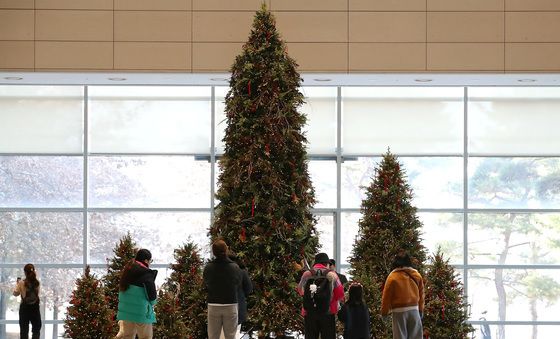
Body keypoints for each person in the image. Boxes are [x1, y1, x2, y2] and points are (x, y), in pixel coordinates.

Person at [297, 252, 344, 339]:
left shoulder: (307, 274)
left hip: (310, 312)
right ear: (326, 263)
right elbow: (340, 293)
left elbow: (299, 289)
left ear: (316, 262)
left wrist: (309, 297)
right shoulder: (333, 275)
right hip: (328, 312)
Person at [203, 239, 243, 339]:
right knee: (230, 336)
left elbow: (206, 283)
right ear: (226, 249)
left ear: (213, 252)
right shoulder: (235, 267)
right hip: (231, 303)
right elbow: (238, 284)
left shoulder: (208, 267)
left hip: (213, 304)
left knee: (213, 336)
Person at [381, 250, 424, 339]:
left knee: (399, 336)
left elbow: (386, 297)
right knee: (416, 336)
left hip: (399, 312)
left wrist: (384, 312)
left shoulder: (392, 277)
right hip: (414, 310)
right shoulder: (416, 275)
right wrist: (421, 309)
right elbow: (421, 294)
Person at [116, 249, 158, 339]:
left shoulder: (127, 270)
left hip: (126, 312)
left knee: (127, 336)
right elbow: (151, 295)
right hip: (141, 312)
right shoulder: (146, 273)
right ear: (146, 260)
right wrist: (153, 303)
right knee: (146, 337)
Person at [221, 253, 253, 339]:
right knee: (235, 334)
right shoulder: (242, 272)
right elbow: (249, 289)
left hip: (221, 308)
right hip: (237, 308)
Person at [13, 263, 41, 339]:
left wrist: (17, 284)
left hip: (24, 309)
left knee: (24, 330)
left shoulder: (21, 283)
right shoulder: (37, 282)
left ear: (25, 272)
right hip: (35, 308)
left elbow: (15, 294)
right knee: (36, 329)